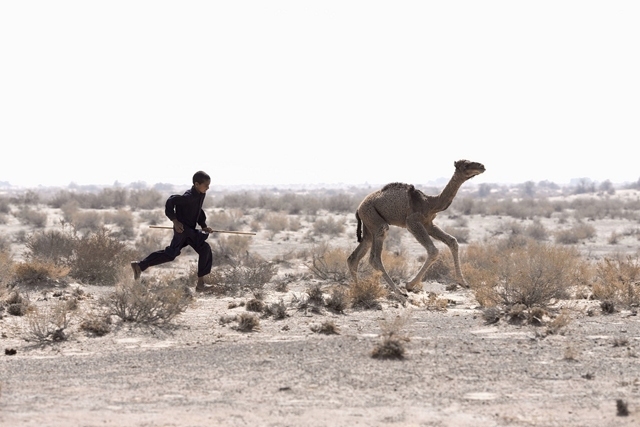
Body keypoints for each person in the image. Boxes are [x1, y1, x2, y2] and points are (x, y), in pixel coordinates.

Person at [131, 171, 214, 292]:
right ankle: (139, 265)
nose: (208, 187)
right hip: (182, 230)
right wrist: (175, 221)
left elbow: (198, 211)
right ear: (197, 184)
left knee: (201, 249)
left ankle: (200, 284)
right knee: (182, 250)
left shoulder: (200, 194)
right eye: (206, 185)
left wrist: (203, 225)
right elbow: (170, 201)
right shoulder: (188, 196)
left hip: (189, 230)